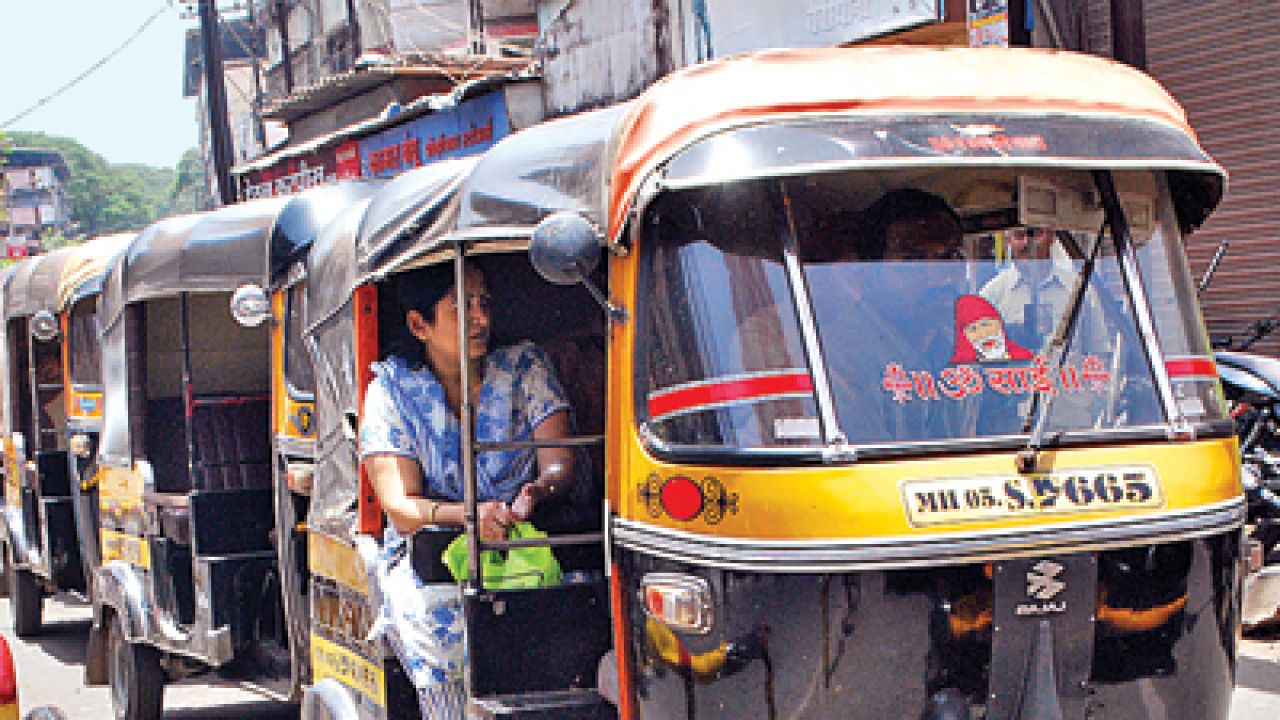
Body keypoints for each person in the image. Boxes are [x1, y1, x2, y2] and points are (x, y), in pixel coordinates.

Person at [359, 260, 574, 718]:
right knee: (428, 617)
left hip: (526, 548)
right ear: (419, 325)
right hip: (432, 561)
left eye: (484, 303)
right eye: (463, 306)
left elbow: (559, 462)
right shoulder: (391, 391)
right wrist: (471, 517)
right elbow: (401, 507)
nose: (480, 318)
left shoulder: (524, 367)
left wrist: (536, 492)